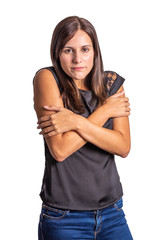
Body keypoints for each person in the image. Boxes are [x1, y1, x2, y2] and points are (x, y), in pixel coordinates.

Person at [33, 16, 133, 240]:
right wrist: (106, 111)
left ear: (95, 52)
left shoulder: (111, 83)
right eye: (68, 50)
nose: (78, 59)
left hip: (113, 212)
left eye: (85, 49)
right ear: (57, 52)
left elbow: (123, 146)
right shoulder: (47, 79)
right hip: (64, 218)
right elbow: (60, 150)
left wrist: (76, 122)